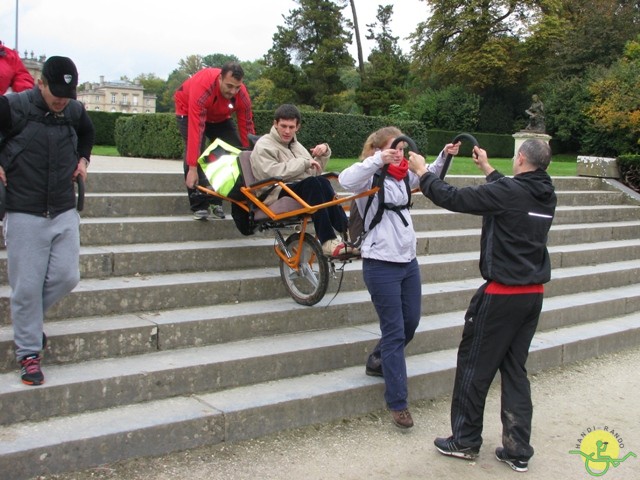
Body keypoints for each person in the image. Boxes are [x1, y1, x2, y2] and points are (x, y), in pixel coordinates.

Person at [407, 138, 556, 472]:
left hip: (501, 296)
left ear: (520, 158)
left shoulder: (509, 194)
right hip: (532, 296)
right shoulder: (546, 193)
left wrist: (422, 174)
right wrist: (487, 168)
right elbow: (512, 192)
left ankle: (464, 440)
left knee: (474, 367)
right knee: (515, 371)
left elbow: (454, 198)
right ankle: (518, 450)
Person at [338, 127, 459, 428]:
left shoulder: (404, 175)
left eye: (401, 150)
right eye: (393, 149)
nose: (399, 155)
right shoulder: (369, 174)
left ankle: (377, 360)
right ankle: (398, 403)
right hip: (380, 263)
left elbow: (430, 175)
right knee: (394, 331)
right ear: (378, 150)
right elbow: (344, 179)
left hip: (407, 261)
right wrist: (378, 159)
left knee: (411, 322)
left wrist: (446, 155)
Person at [0, 56, 95, 386]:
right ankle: (28, 352)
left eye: (67, 94)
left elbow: (87, 133)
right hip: (23, 209)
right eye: (56, 92)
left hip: (63, 208)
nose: (61, 100)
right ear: (40, 83)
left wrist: (83, 161)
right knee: (26, 287)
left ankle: (28, 317)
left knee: (67, 276)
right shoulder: (13, 107)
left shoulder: (73, 110)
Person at [250, 104, 352, 257]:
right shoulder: (264, 145)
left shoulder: (297, 146)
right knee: (312, 184)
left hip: (297, 186)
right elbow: (270, 173)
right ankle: (327, 240)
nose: (287, 131)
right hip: (274, 191)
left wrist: (323, 154)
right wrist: (303, 163)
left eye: (291, 127)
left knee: (322, 182)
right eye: (283, 126)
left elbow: (312, 170)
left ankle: (348, 234)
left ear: (298, 127)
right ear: (275, 124)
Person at [174, 61, 255, 220]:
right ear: (219, 78)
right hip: (188, 111)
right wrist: (192, 169)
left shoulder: (242, 94)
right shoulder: (203, 87)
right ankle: (199, 203)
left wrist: (252, 160)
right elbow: (196, 132)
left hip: (219, 116)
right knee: (196, 152)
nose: (233, 91)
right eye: (229, 86)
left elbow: (247, 126)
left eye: (237, 87)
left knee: (235, 151)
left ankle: (217, 198)